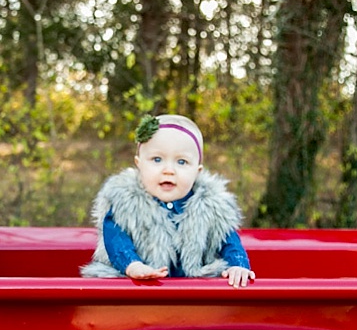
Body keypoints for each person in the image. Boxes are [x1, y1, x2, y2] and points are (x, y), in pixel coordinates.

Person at [81, 114, 255, 287]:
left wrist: (237, 266)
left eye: (181, 162)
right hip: (140, 293)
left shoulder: (213, 207)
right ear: (139, 164)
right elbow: (116, 239)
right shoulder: (126, 203)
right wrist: (132, 265)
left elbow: (229, 241)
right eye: (157, 159)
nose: (169, 170)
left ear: (197, 171)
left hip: (195, 297)